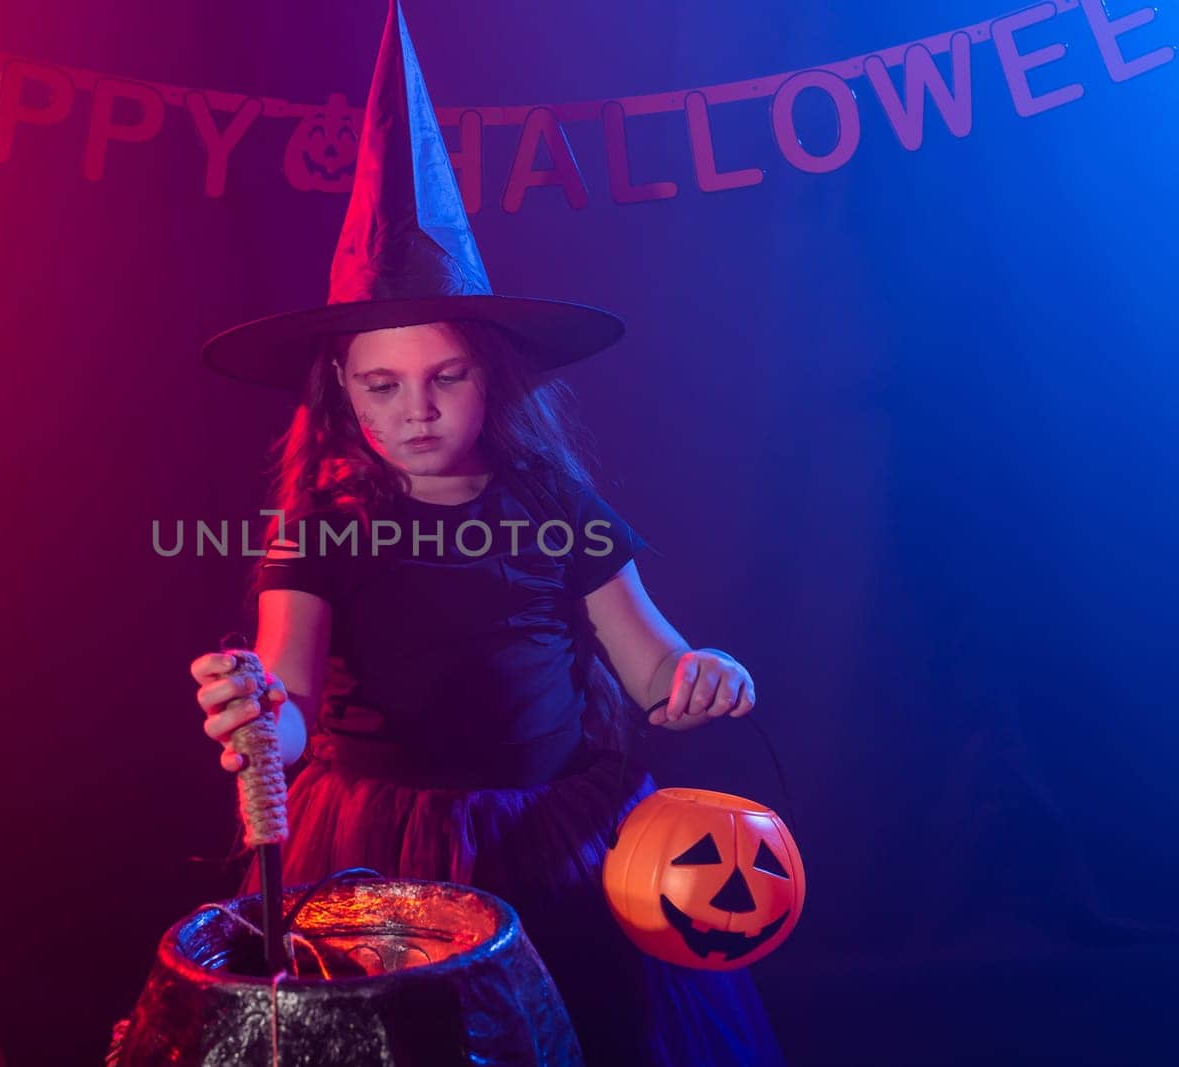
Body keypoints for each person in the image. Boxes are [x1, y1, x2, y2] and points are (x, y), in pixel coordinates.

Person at [188, 3, 784, 1063]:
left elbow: (652, 667)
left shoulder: (556, 506)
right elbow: (283, 699)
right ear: (340, 390)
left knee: (568, 1031)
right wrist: (254, 713)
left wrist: (705, 673)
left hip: (552, 839)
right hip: (381, 853)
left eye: (443, 376)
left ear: (489, 375)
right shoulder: (322, 524)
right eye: (382, 384)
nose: (414, 408)